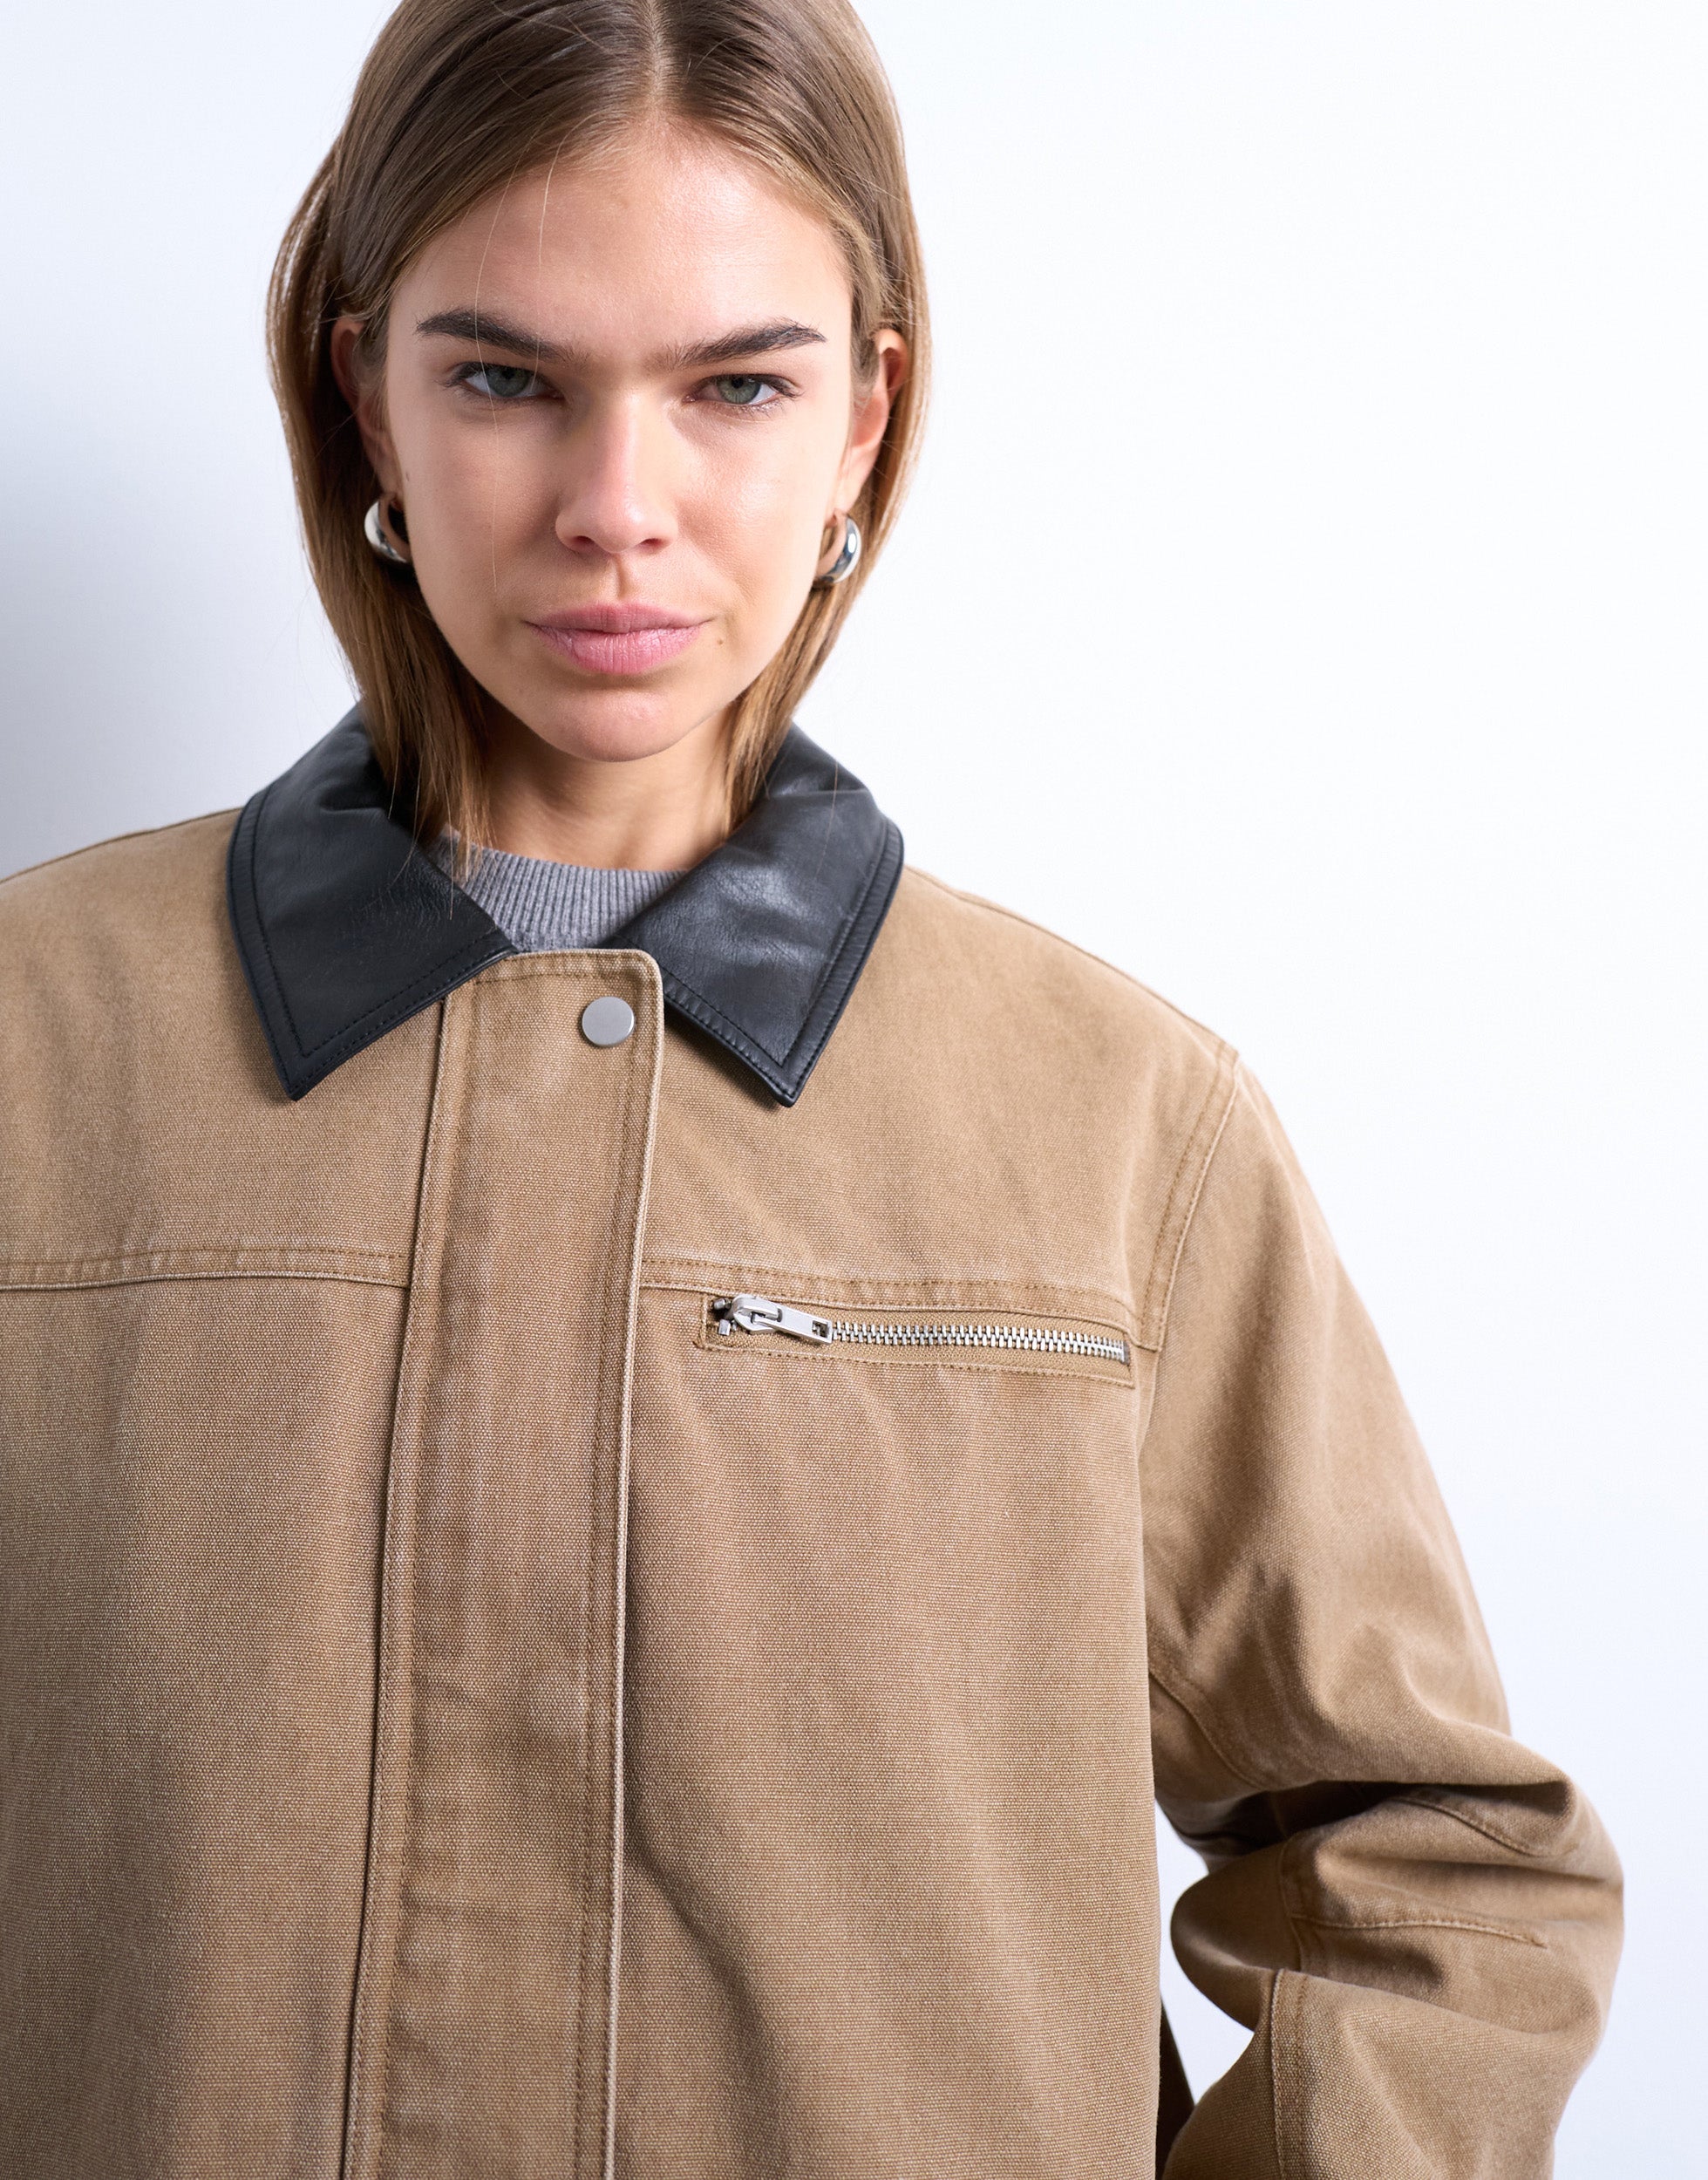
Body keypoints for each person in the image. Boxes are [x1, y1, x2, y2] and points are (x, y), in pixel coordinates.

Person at [0, 2, 1621, 2174]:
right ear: (363, 391)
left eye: (735, 386)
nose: (616, 511)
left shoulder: (1118, 1130)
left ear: (864, 414)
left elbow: (1435, 1871)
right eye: (505, 380)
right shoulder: (33, 1048)